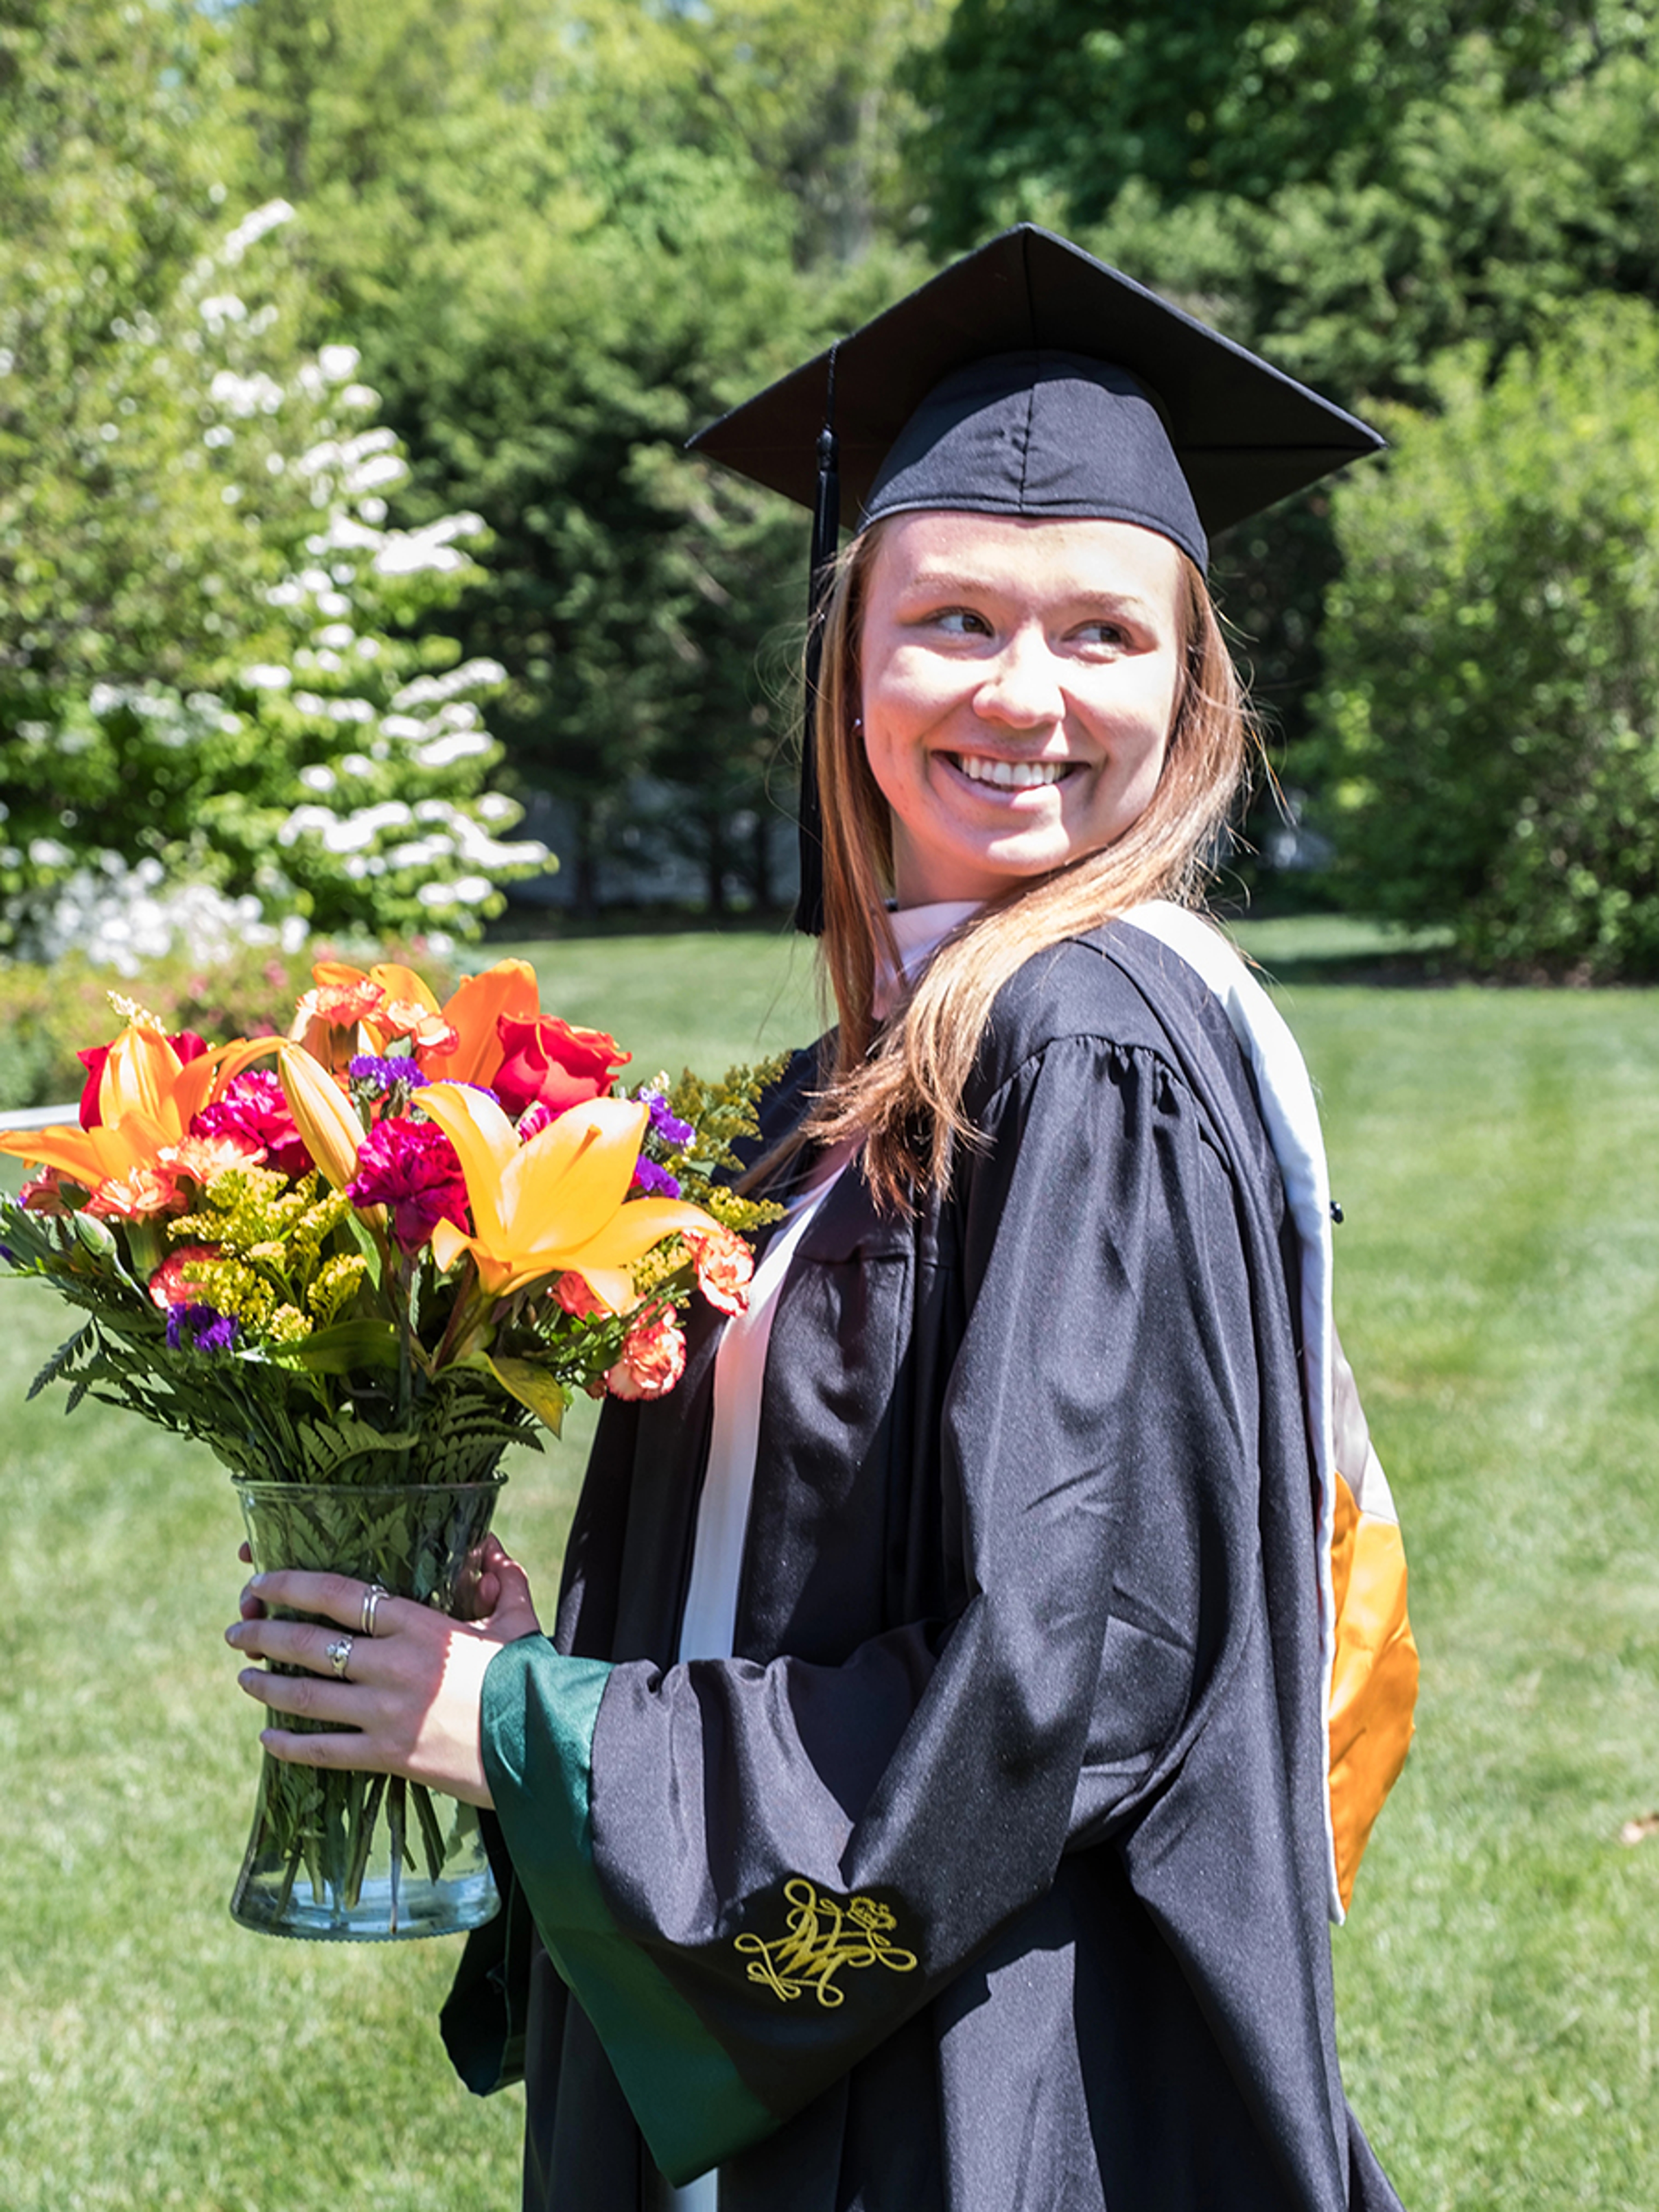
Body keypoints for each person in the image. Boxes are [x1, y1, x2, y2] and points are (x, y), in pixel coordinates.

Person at [227, 225, 1421, 2211]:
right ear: (849, 661)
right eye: (951, 618)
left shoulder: (1092, 1045)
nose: (1024, 695)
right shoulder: (849, 1079)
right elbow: (816, 1558)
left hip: (987, 2059)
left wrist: (537, 1734)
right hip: (864, 2043)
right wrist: (554, 1646)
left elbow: (1063, 1666)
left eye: (1106, 634)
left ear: (1194, 683)